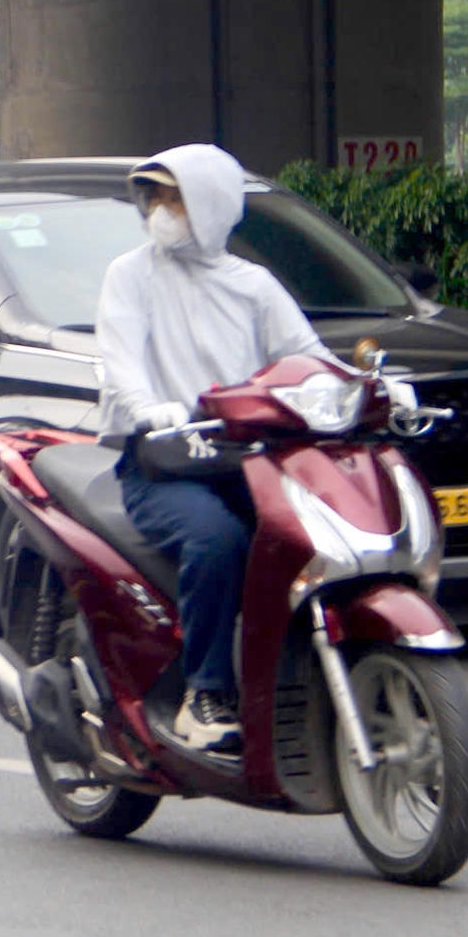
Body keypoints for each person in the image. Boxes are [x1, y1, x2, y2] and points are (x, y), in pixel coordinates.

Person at [95, 144, 327, 757]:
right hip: (163, 464)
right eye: (158, 198)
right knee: (216, 540)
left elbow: (309, 360)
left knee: (313, 536)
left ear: (213, 205)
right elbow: (119, 363)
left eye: (178, 198)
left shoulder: (253, 286)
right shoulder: (131, 274)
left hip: (249, 461)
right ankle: (205, 696)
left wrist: (371, 389)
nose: (163, 211)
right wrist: (152, 409)